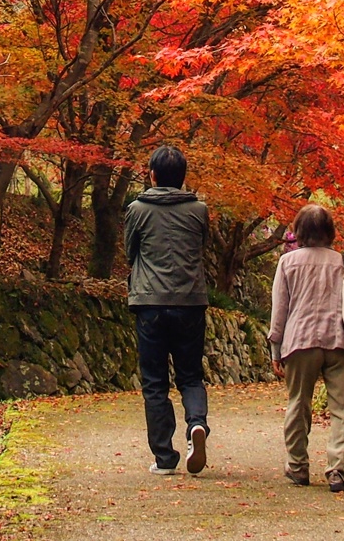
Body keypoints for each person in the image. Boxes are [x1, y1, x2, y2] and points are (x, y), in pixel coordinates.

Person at [268, 204, 344, 493]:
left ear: (299, 231)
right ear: (330, 231)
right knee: (343, 408)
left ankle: (298, 466)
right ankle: (339, 471)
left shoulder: (287, 263)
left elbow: (280, 309)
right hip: (341, 342)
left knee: (298, 403)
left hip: (299, 341)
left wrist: (275, 350)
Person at [125, 144, 210, 476]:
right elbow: (203, 246)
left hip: (150, 304)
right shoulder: (198, 210)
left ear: (152, 175)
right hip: (190, 301)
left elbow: (130, 253)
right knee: (190, 376)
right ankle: (196, 425)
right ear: (182, 177)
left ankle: (164, 457)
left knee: (155, 382)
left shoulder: (136, 209)